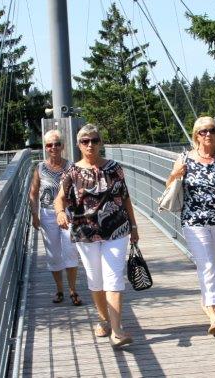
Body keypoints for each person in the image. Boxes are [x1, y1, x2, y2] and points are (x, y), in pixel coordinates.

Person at [54, 124, 139, 348]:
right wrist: (60, 212)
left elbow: (125, 197)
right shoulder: (72, 171)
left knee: (114, 278)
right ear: (79, 145)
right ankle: (103, 320)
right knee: (95, 280)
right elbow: (59, 198)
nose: (90, 144)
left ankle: (117, 331)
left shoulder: (114, 168)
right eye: (85, 141)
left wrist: (134, 226)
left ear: (100, 142)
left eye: (94, 140)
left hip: (116, 230)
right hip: (86, 232)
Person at [165, 116, 215, 338]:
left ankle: (206, 300)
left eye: (212, 130)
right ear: (196, 135)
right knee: (208, 264)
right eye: (203, 131)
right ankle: (214, 315)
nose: (208, 134)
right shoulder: (184, 158)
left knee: (212, 265)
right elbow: (169, 185)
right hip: (193, 222)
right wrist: (175, 174)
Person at [30, 129, 82, 306]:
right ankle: (60, 290)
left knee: (71, 250)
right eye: (50, 145)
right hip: (47, 215)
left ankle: (73, 290)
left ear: (63, 146)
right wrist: (34, 214)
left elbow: (80, 191)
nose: (54, 147)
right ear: (45, 147)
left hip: (68, 214)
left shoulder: (72, 167)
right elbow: (33, 193)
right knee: (53, 254)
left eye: (57, 144)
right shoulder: (40, 168)